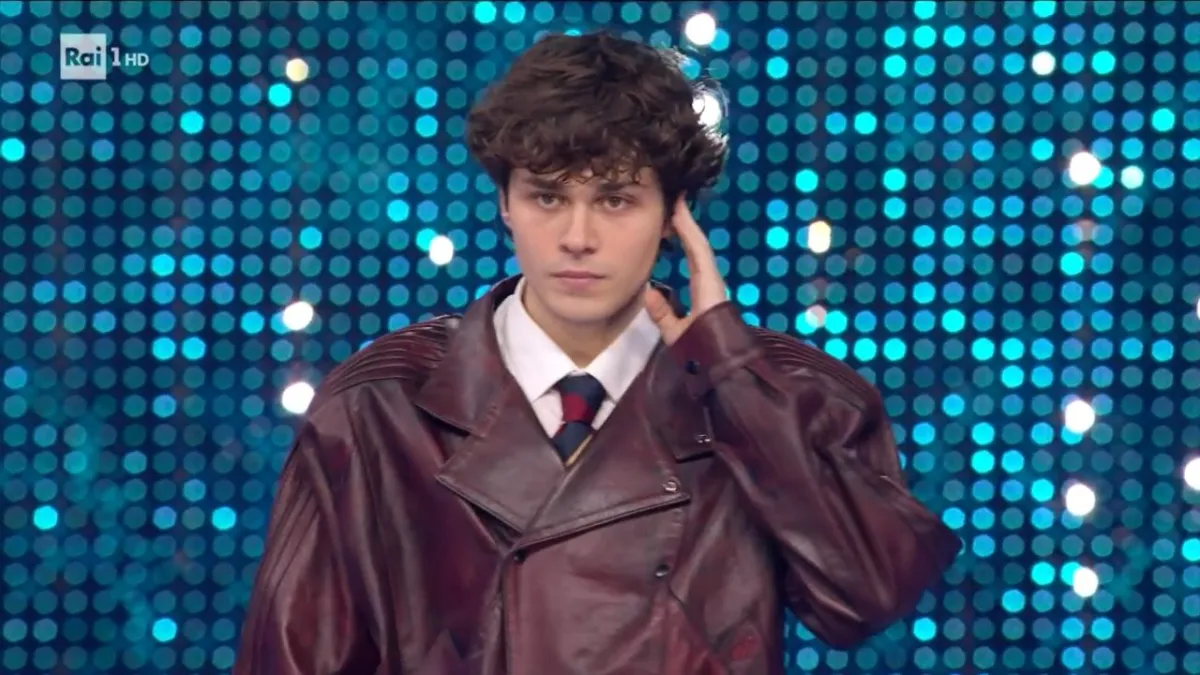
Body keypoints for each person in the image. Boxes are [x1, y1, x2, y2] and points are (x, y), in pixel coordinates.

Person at [233, 31, 960, 675]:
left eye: (615, 200)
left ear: (673, 213)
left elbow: (867, 595)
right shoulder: (379, 406)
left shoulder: (787, 394)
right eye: (548, 197)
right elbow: (294, 655)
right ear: (505, 203)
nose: (577, 238)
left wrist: (730, 375)